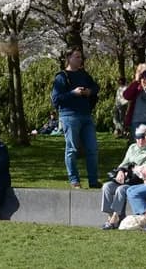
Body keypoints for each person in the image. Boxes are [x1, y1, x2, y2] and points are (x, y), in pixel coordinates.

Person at [50, 46, 100, 189]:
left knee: (92, 148)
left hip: (86, 115)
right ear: (69, 58)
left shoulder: (84, 74)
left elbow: (96, 87)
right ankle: (74, 179)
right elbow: (56, 99)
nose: (80, 60)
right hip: (69, 116)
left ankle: (93, 180)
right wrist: (73, 93)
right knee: (72, 149)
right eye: (77, 57)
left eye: (80, 57)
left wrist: (89, 91)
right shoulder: (61, 77)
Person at [101, 124, 146, 230]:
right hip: (125, 177)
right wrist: (121, 170)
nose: (140, 140)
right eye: (138, 137)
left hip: (138, 181)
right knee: (107, 186)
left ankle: (116, 217)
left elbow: (145, 168)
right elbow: (123, 164)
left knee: (121, 189)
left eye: (143, 137)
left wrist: (130, 168)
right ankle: (110, 215)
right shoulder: (132, 147)